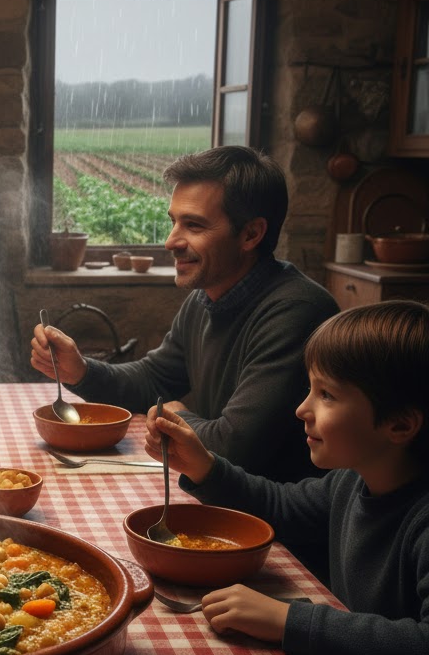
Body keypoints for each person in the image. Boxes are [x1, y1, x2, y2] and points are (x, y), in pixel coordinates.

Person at [144, 300, 429, 655]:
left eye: (326, 395)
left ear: (400, 425)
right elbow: (281, 506)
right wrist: (202, 465)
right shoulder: (352, 481)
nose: (301, 409)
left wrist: (288, 620)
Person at [31, 146, 339, 483]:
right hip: (219, 501)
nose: (170, 241)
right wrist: (82, 370)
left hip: (271, 524)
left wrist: (178, 416)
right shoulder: (206, 296)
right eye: (173, 221)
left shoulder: (296, 312)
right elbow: (154, 380)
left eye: (193, 225)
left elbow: (234, 447)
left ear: (251, 234)